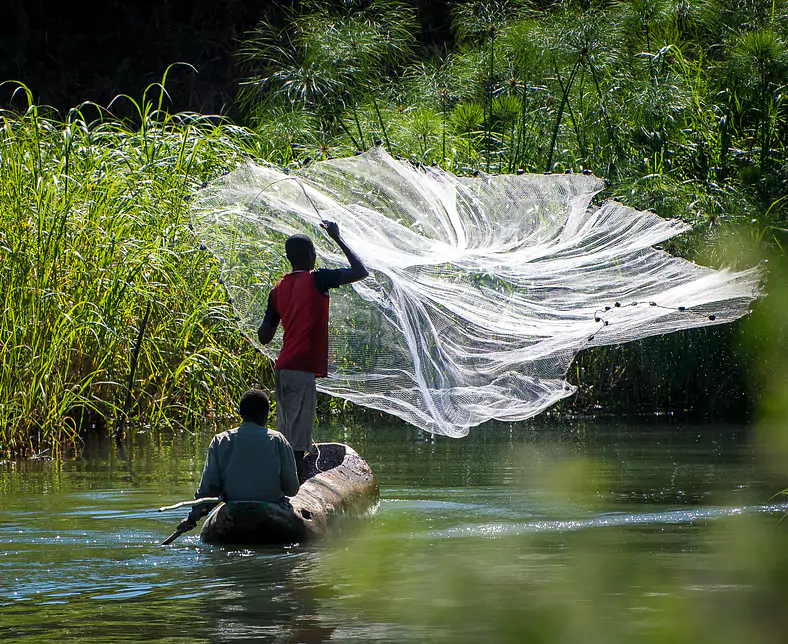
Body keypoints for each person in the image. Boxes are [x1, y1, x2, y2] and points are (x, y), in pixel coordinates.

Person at [257, 220, 368, 480]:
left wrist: (277, 312)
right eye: (314, 252)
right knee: (297, 442)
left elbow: (264, 337)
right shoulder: (317, 279)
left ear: (289, 258)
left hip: (283, 369)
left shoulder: (278, 289)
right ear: (310, 255)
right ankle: (291, 490)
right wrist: (337, 237)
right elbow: (360, 271)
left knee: (287, 435)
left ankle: (281, 484)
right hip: (301, 369)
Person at [177, 389, 300, 532]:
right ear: (266, 414)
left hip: (232, 514)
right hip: (272, 515)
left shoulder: (220, 440)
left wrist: (192, 519)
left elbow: (208, 490)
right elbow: (292, 489)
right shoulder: (278, 440)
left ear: (241, 414)